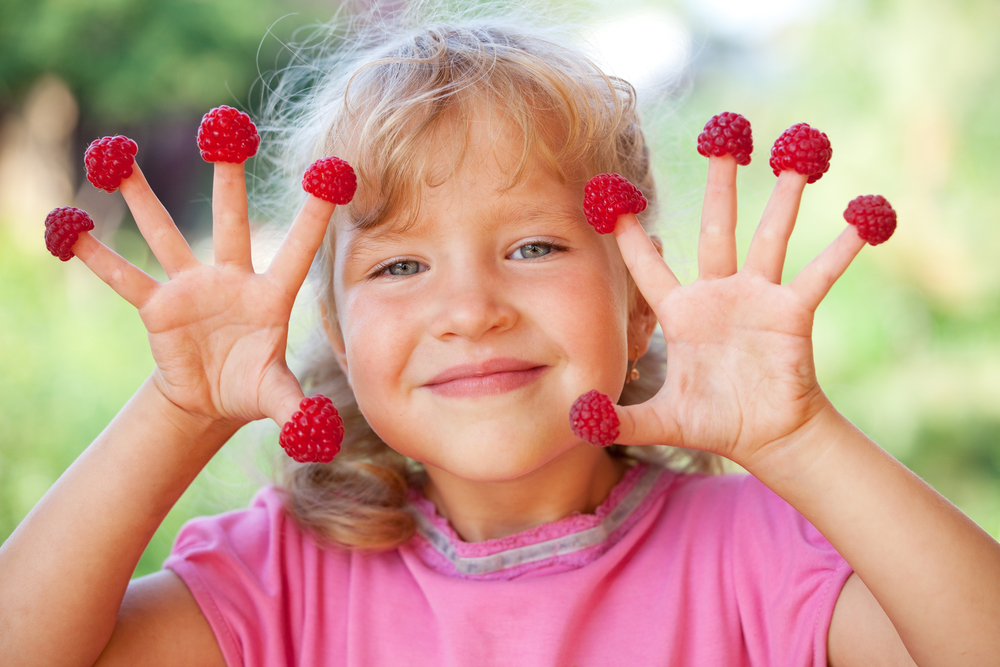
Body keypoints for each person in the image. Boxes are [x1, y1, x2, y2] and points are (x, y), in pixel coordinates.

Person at [1, 9, 999, 667]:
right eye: (399, 266)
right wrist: (179, 410)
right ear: (340, 339)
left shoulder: (755, 554)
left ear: (639, 301)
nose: (469, 307)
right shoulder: (281, 580)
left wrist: (799, 437)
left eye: (530, 246)